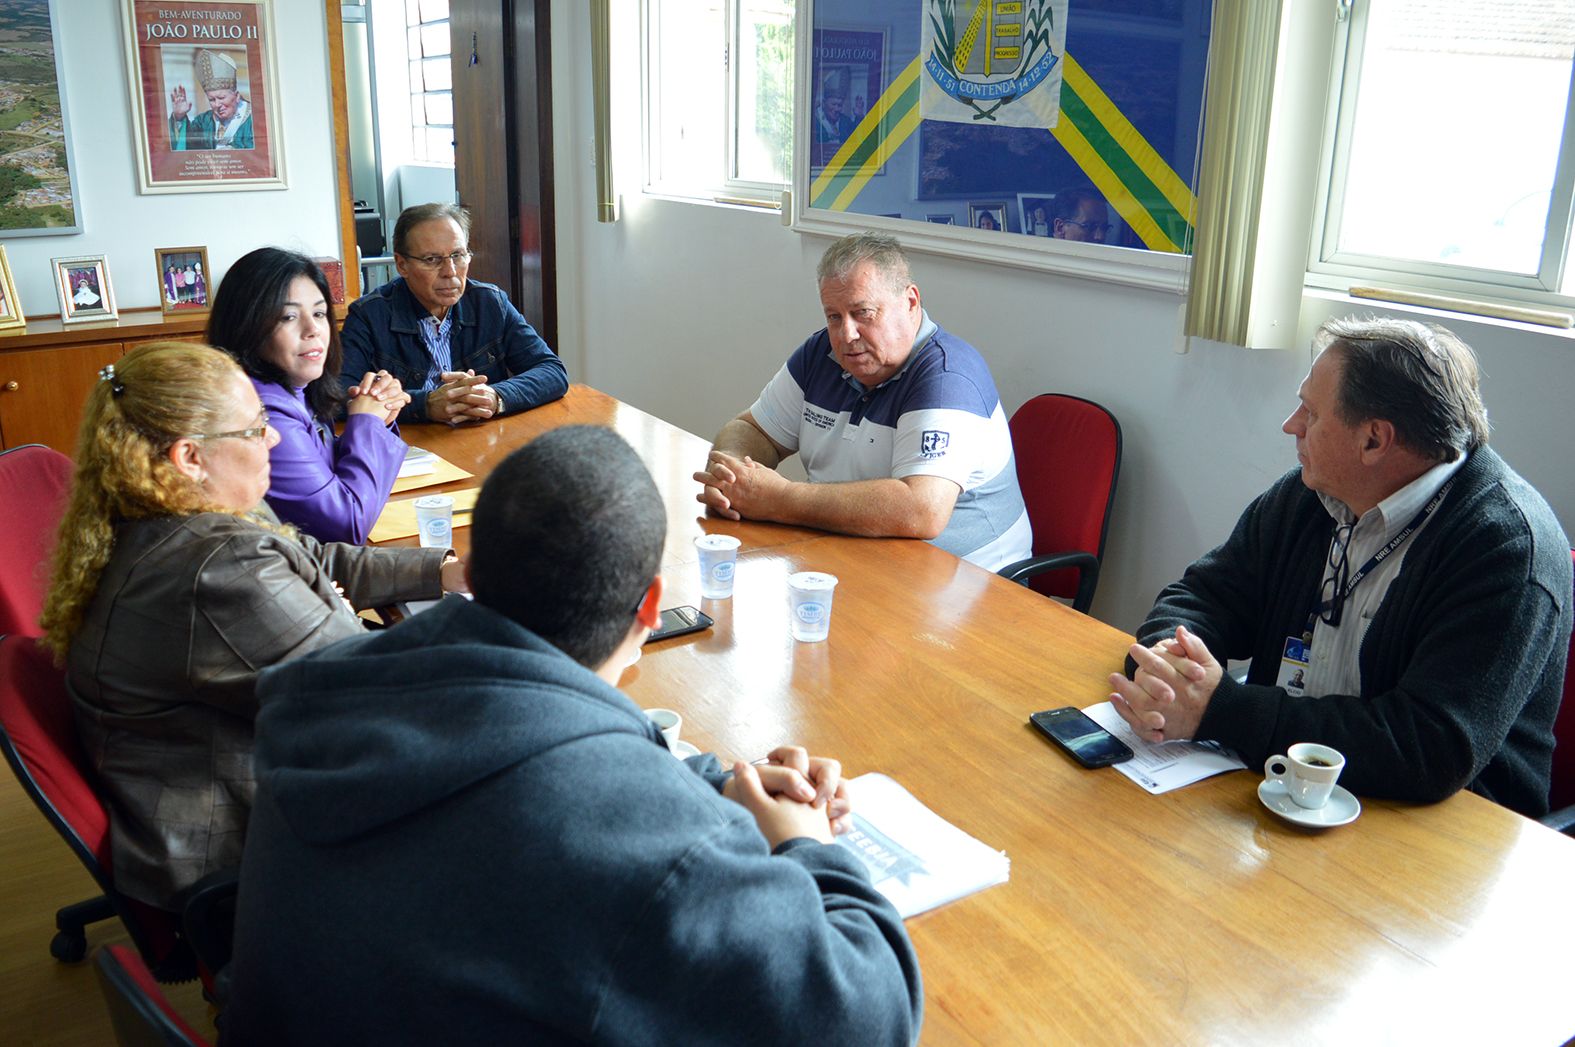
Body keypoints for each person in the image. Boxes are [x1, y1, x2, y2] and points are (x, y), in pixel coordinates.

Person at [222, 426, 924, 1045]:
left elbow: (535, 739)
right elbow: (868, 1017)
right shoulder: (646, 847)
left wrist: (711, 786)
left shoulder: (326, 689)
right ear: (650, 603)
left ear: (470, 572)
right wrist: (808, 845)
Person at [37, 342, 465, 910]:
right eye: (255, 427)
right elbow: (374, 701)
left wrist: (450, 569)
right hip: (244, 852)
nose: (275, 439)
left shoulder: (170, 508)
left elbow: (312, 558)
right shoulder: (216, 568)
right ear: (190, 455)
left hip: (239, 780)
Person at [1108, 317, 1571, 817]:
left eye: (1310, 410)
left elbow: (1427, 749)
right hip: (1284, 783)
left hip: (1442, 828)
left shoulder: (1504, 546)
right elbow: (1205, 595)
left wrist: (1221, 711)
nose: (1291, 424)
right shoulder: (1309, 494)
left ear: (1374, 440)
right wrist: (1163, 668)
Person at [694, 232, 1032, 572]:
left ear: (910, 302)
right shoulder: (820, 354)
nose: (847, 335)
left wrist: (780, 499)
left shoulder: (947, 377)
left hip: (975, 585)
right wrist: (731, 475)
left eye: (863, 313)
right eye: (834, 317)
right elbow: (752, 429)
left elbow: (921, 509)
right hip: (860, 558)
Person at [207, 247, 409, 544]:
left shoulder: (295, 388)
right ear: (247, 325)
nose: (313, 329)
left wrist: (378, 416)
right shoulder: (262, 411)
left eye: (319, 313)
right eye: (288, 317)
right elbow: (346, 524)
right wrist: (366, 423)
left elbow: (321, 470)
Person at [339, 202, 568, 425]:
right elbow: (337, 397)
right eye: (432, 259)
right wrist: (425, 405)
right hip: (408, 448)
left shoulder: (490, 303)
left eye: (458, 255)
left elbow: (552, 371)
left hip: (479, 442)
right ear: (402, 265)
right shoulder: (369, 316)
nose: (450, 272)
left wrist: (495, 397)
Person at [169, 50, 254, 151]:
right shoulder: (204, 121)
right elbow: (187, 146)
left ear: (237, 96)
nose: (217, 104)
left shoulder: (254, 120)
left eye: (221, 98)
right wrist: (179, 117)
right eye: (212, 99)